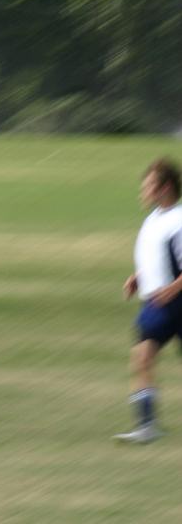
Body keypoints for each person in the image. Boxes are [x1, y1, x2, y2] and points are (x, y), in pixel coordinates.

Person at [114, 159, 182, 444]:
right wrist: (138, 277)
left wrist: (175, 288)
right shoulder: (154, 219)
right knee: (142, 357)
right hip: (157, 304)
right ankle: (147, 426)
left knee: (144, 357)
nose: (143, 192)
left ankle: (147, 426)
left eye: (149, 187)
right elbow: (156, 258)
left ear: (165, 188)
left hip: (176, 302)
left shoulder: (178, 220)